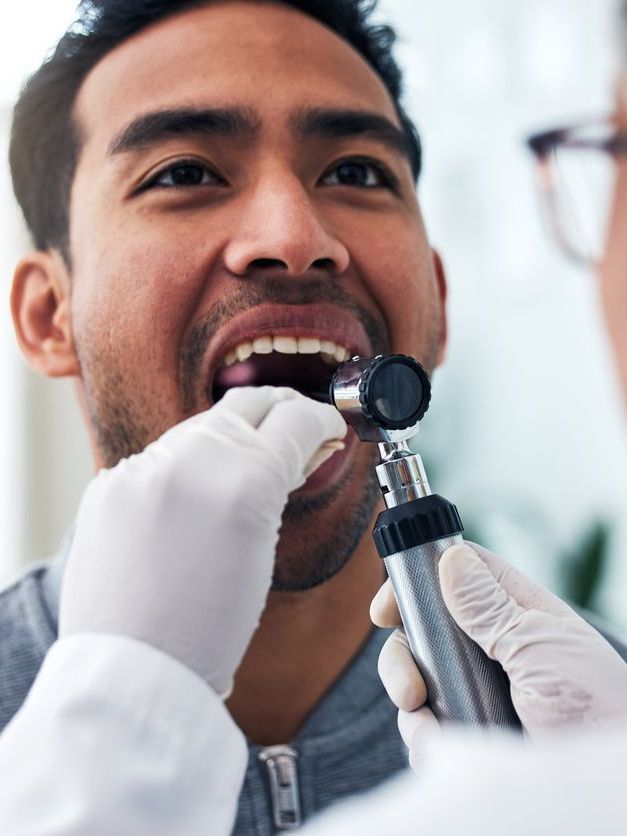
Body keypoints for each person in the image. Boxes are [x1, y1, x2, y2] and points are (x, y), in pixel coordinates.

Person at [1, 1, 627, 835]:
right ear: (49, 315)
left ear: (434, 305)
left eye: (356, 173)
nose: (296, 236)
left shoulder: (593, 732)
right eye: (185, 172)